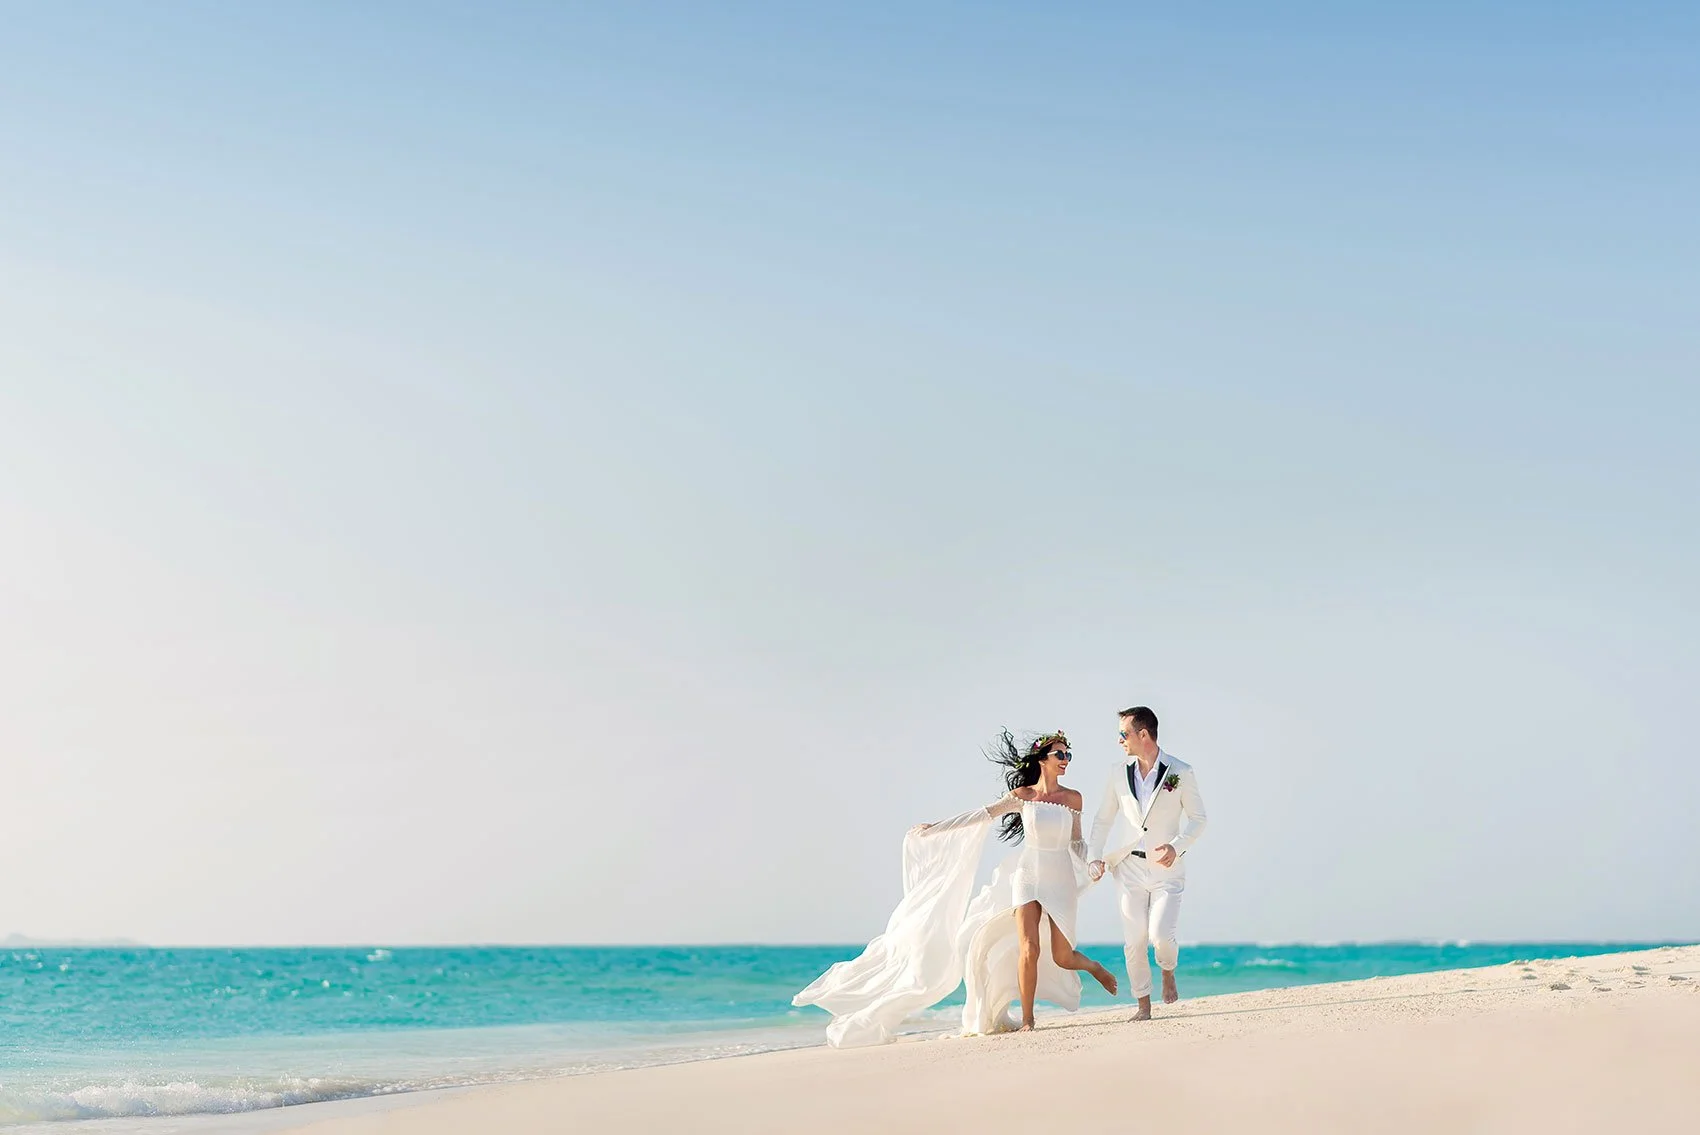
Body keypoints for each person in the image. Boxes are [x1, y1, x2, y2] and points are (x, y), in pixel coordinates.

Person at [794, 730, 1116, 1047]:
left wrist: (1092, 863)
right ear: (1042, 760)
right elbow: (980, 816)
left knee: (1062, 956)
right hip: (1028, 876)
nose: (1066, 760)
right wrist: (936, 829)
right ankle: (1028, 1019)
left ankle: (1094, 967)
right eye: (1060, 755)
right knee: (1029, 948)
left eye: (1068, 755)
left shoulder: (1073, 799)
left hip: (1060, 880)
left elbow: (1076, 842)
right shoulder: (1024, 796)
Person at [1087, 706, 1208, 1021]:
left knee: (1160, 937)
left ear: (1143, 734)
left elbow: (1198, 820)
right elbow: (1103, 819)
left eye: (1123, 734)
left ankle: (1168, 970)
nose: (1119, 741)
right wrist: (1094, 857)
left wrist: (1177, 846)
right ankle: (1143, 1005)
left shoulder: (1181, 771)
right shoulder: (1117, 772)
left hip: (1166, 868)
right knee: (1135, 938)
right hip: (1128, 867)